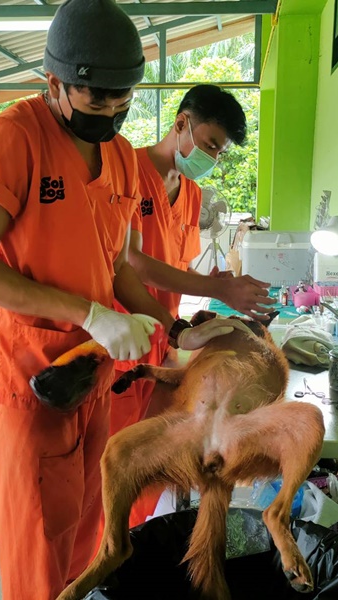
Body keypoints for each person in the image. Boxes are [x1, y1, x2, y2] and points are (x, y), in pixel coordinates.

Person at [0, 1, 243, 598]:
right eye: (95, 96)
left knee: (92, 530)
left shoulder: (117, 156)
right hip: (32, 378)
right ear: (54, 82)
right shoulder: (14, 137)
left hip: (96, 375)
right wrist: (86, 314)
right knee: (39, 541)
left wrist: (173, 325)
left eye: (122, 98)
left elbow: (117, 266)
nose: (109, 110)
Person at [108, 85, 275, 526]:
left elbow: (174, 267)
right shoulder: (126, 171)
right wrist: (216, 290)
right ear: (181, 123)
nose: (213, 158)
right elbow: (133, 264)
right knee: (116, 460)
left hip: (165, 339)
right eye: (210, 144)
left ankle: (138, 544)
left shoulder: (192, 195)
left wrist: (213, 286)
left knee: (154, 459)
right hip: (121, 339)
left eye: (220, 151)